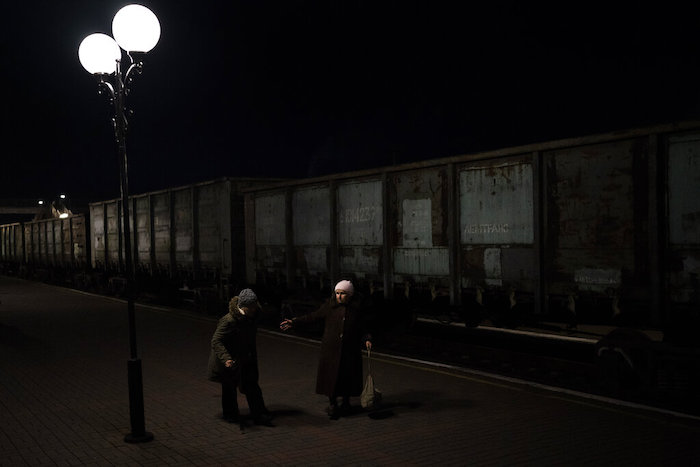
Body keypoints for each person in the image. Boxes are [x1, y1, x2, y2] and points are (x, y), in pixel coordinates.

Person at [280, 280, 372, 419]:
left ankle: (346, 403)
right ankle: (333, 404)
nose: (339, 296)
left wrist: (367, 339)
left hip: (349, 350)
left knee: (347, 377)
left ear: (350, 295)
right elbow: (313, 316)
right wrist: (294, 322)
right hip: (331, 350)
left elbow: (362, 328)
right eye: (337, 293)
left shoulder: (356, 310)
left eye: (342, 294)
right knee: (331, 378)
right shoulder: (329, 306)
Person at [208, 288, 274, 427]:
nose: (255, 310)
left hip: (245, 357)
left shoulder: (253, 314)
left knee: (252, 386)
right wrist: (226, 358)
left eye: (256, 306)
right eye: (252, 308)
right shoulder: (229, 320)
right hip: (230, 359)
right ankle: (230, 414)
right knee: (229, 388)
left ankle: (260, 414)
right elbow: (216, 340)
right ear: (244, 307)